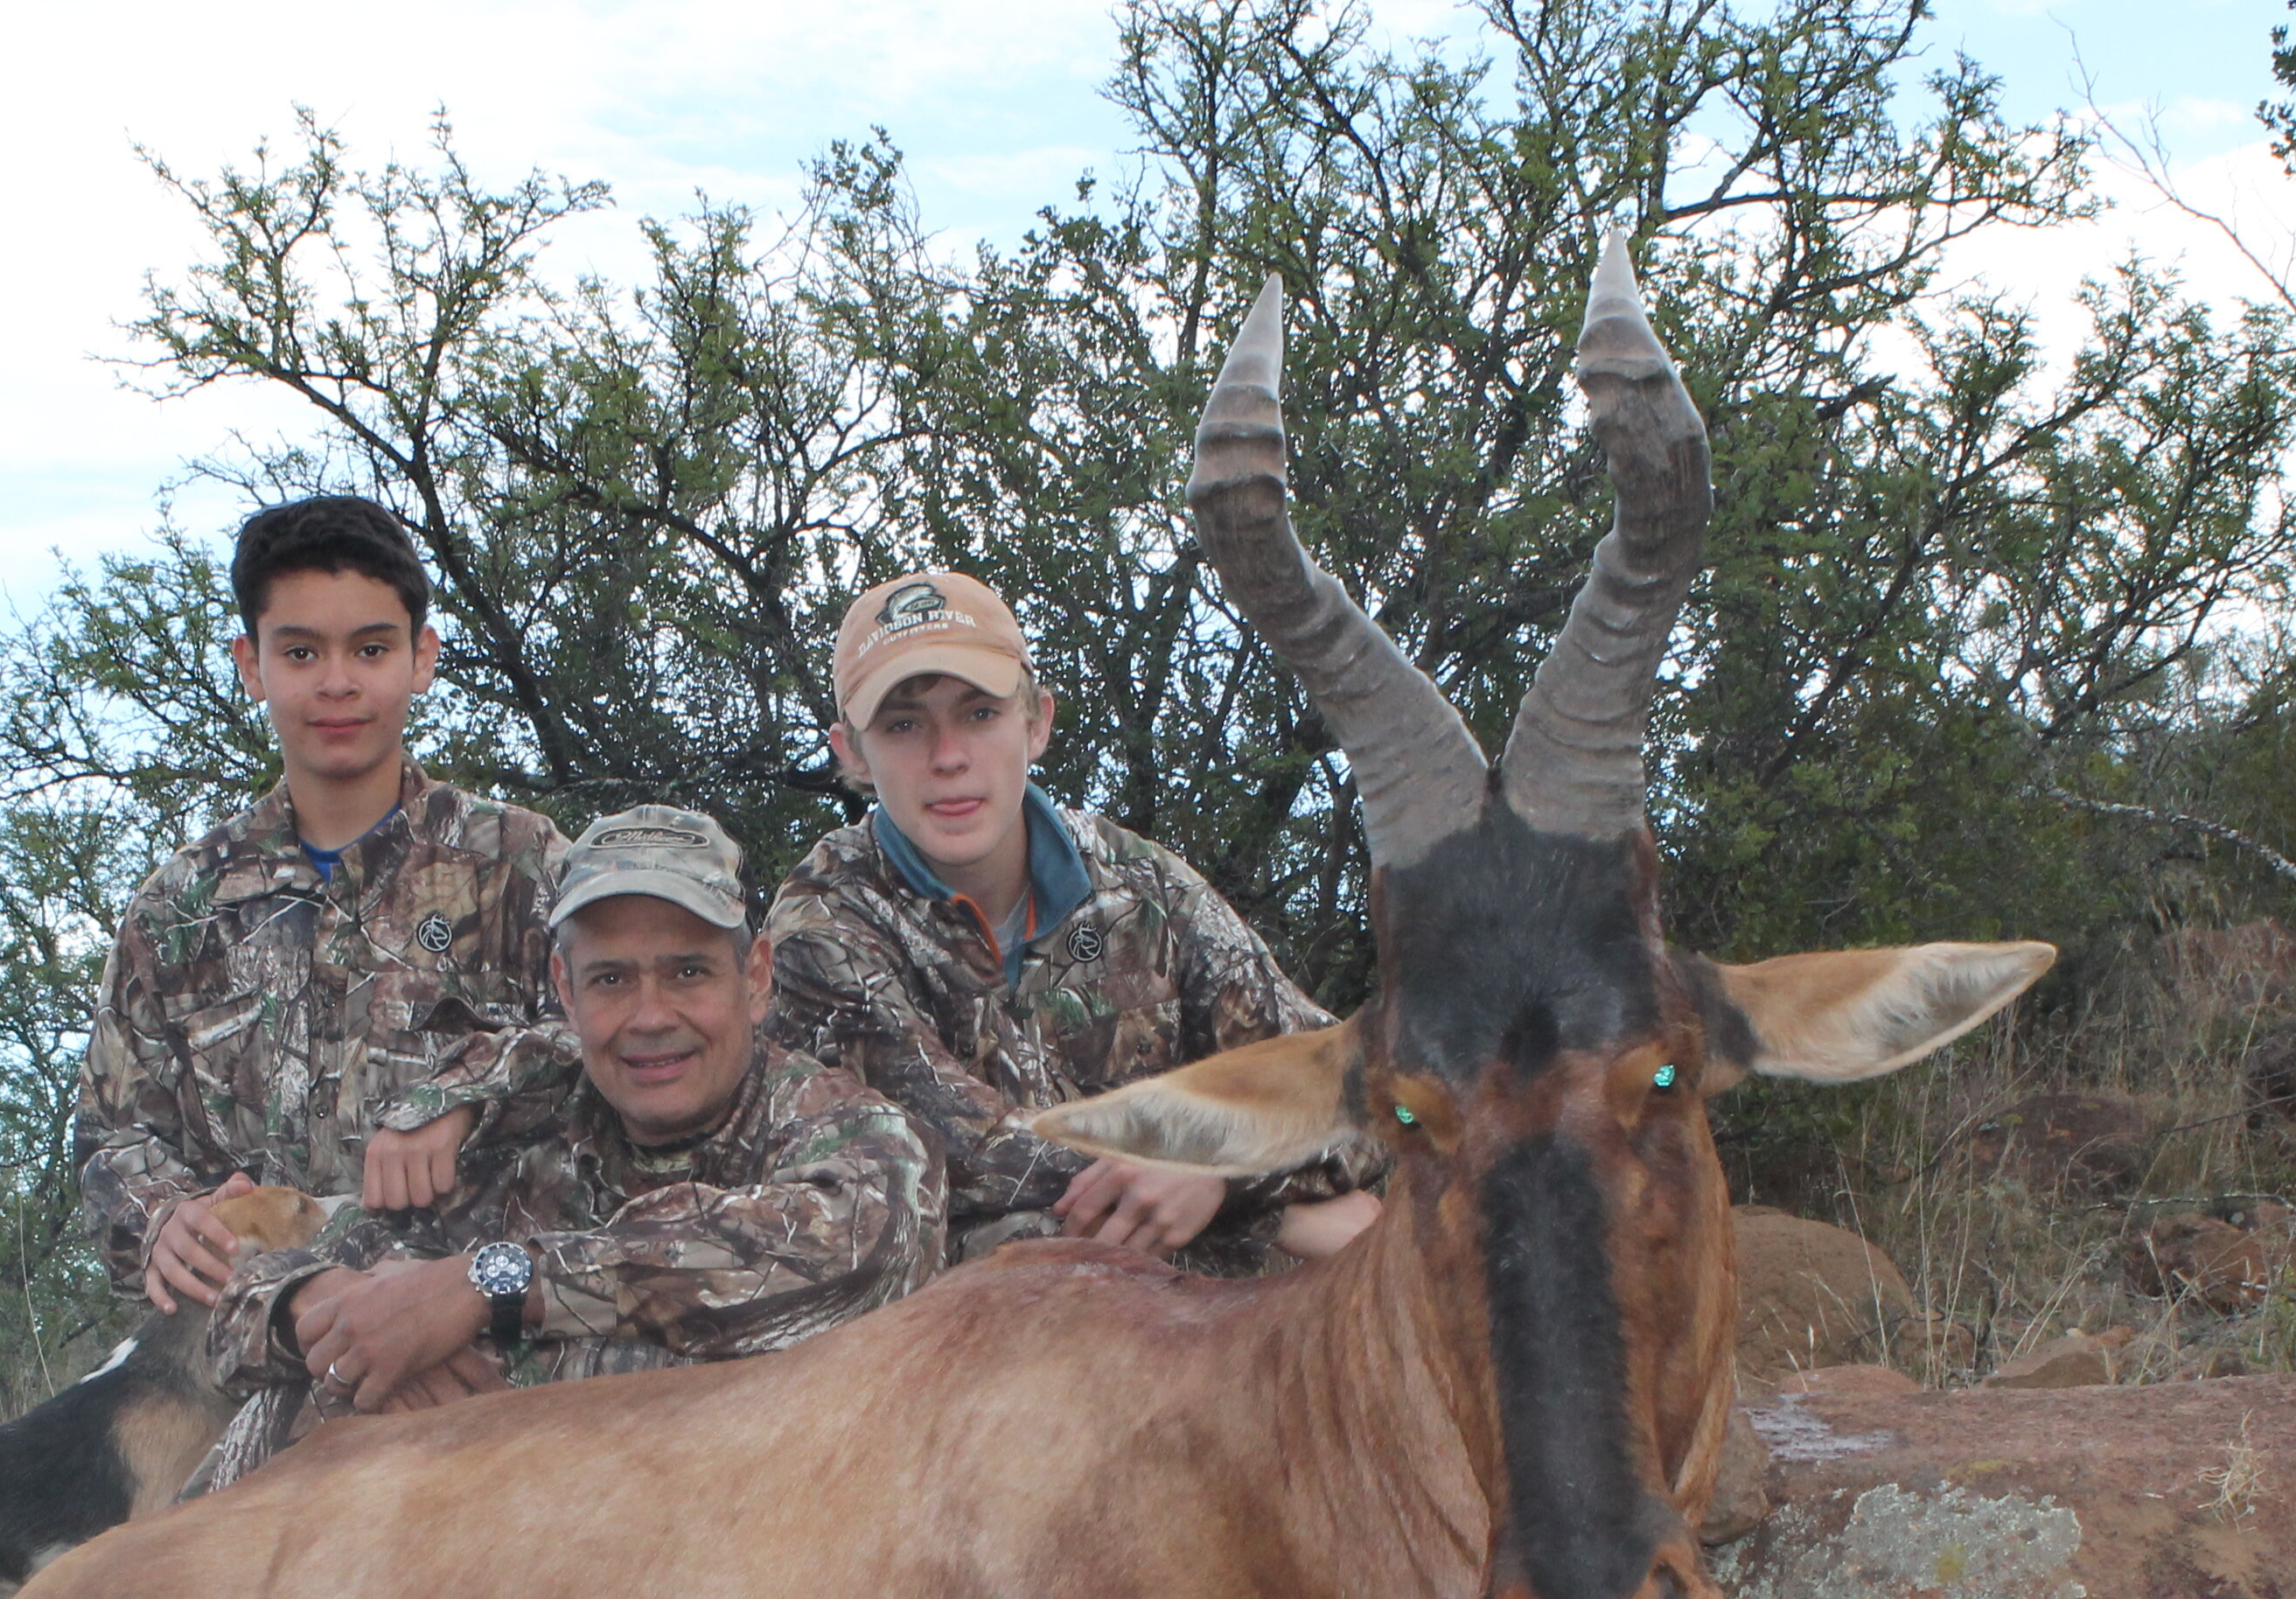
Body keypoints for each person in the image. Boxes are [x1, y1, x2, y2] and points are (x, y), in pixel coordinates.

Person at [190, 805, 944, 1491]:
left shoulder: (850, 1133)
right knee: (313, 1393)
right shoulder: (505, 1125)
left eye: (688, 972)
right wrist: (320, 1308)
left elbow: (864, 1249)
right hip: (500, 1546)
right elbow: (237, 1320)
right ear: (564, 987)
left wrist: (487, 1288)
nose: (651, 1017)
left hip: (740, 1539)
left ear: (756, 979)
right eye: (611, 979)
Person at [763, 567, 1378, 1273]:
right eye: (904, 725)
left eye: (980, 714)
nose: (949, 757)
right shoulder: (824, 924)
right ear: (852, 756)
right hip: (967, 1343)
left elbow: (1358, 1089)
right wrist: (1260, 1212)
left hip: (1218, 1341)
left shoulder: (1143, 886)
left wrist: (1227, 1176)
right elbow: (969, 1158)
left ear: (1037, 723)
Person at [73, 495, 568, 1340]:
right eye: (300, 652)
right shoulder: (180, 908)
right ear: (252, 666)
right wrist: (160, 1221)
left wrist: (464, 1093)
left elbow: (619, 1046)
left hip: (485, 1354)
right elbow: (110, 1138)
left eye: (370, 649)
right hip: (264, 1365)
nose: (337, 682)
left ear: (421, 659)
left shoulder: (518, 866)